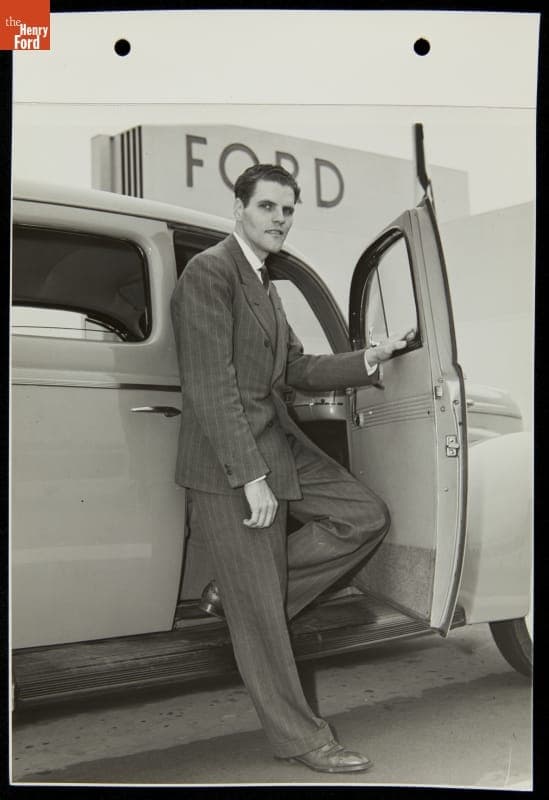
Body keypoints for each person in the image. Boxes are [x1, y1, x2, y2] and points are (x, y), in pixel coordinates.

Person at [171, 164, 412, 774]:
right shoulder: (210, 272)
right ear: (239, 207)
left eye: (287, 210)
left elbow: (296, 369)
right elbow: (211, 385)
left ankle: (238, 595)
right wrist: (249, 476)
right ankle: (302, 738)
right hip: (231, 457)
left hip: (276, 438)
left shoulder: (265, 281)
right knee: (260, 619)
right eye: (269, 207)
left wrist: (369, 358)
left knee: (363, 515)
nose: (280, 219)